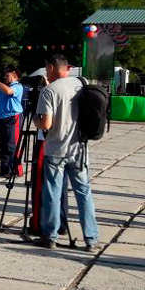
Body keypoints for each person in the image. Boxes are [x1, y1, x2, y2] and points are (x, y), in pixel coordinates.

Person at [34, 54, 98, 249]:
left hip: (56, 149)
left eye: (46, 69)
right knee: (84, 193)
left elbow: (46, 124)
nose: (46, 72)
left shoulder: (49, 90)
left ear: (52, 68)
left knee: (53, 192)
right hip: (79, 149)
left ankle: (50, 236)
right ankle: (91, 238)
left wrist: (35, 119)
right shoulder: (82, 84)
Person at [0, 66, 24, 178]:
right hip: (2, 119)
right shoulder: (3, 87)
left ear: (15, 76)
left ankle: (15, 170)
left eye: (8, 75)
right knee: (3, 145)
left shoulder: (17, 86)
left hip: (13, 118)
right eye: (5, 75)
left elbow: (8, 91)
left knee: (12, 145)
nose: (5, 77)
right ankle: (4, 170)